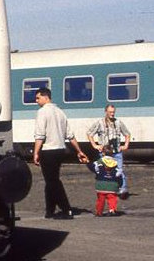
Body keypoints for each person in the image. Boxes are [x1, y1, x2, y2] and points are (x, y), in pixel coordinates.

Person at [32, 87, 88, 220]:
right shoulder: (60, 112)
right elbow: (70, 135)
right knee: (50, 180)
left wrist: (35, 152)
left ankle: (66, 209)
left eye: (38, 98)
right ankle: (49, 210)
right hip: (60, 150)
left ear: (46, 97)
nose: (36, 101)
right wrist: (79, 151)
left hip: (48, 150)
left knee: (53, 181)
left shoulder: (42, 112)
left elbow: (40, 135)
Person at [87, 105, 132, 200]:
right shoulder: (99, 123)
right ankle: (107, 189)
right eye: (110, 112)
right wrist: (95, 145)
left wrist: (126, 145)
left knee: (119, 171)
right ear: (105, 112)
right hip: (104, 153)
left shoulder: (118, 122)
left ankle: (122, 190)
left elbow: (127, 134)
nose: (112, 114)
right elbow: (89, 133)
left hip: (116, 152)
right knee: (105, 171)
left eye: (113, 112)